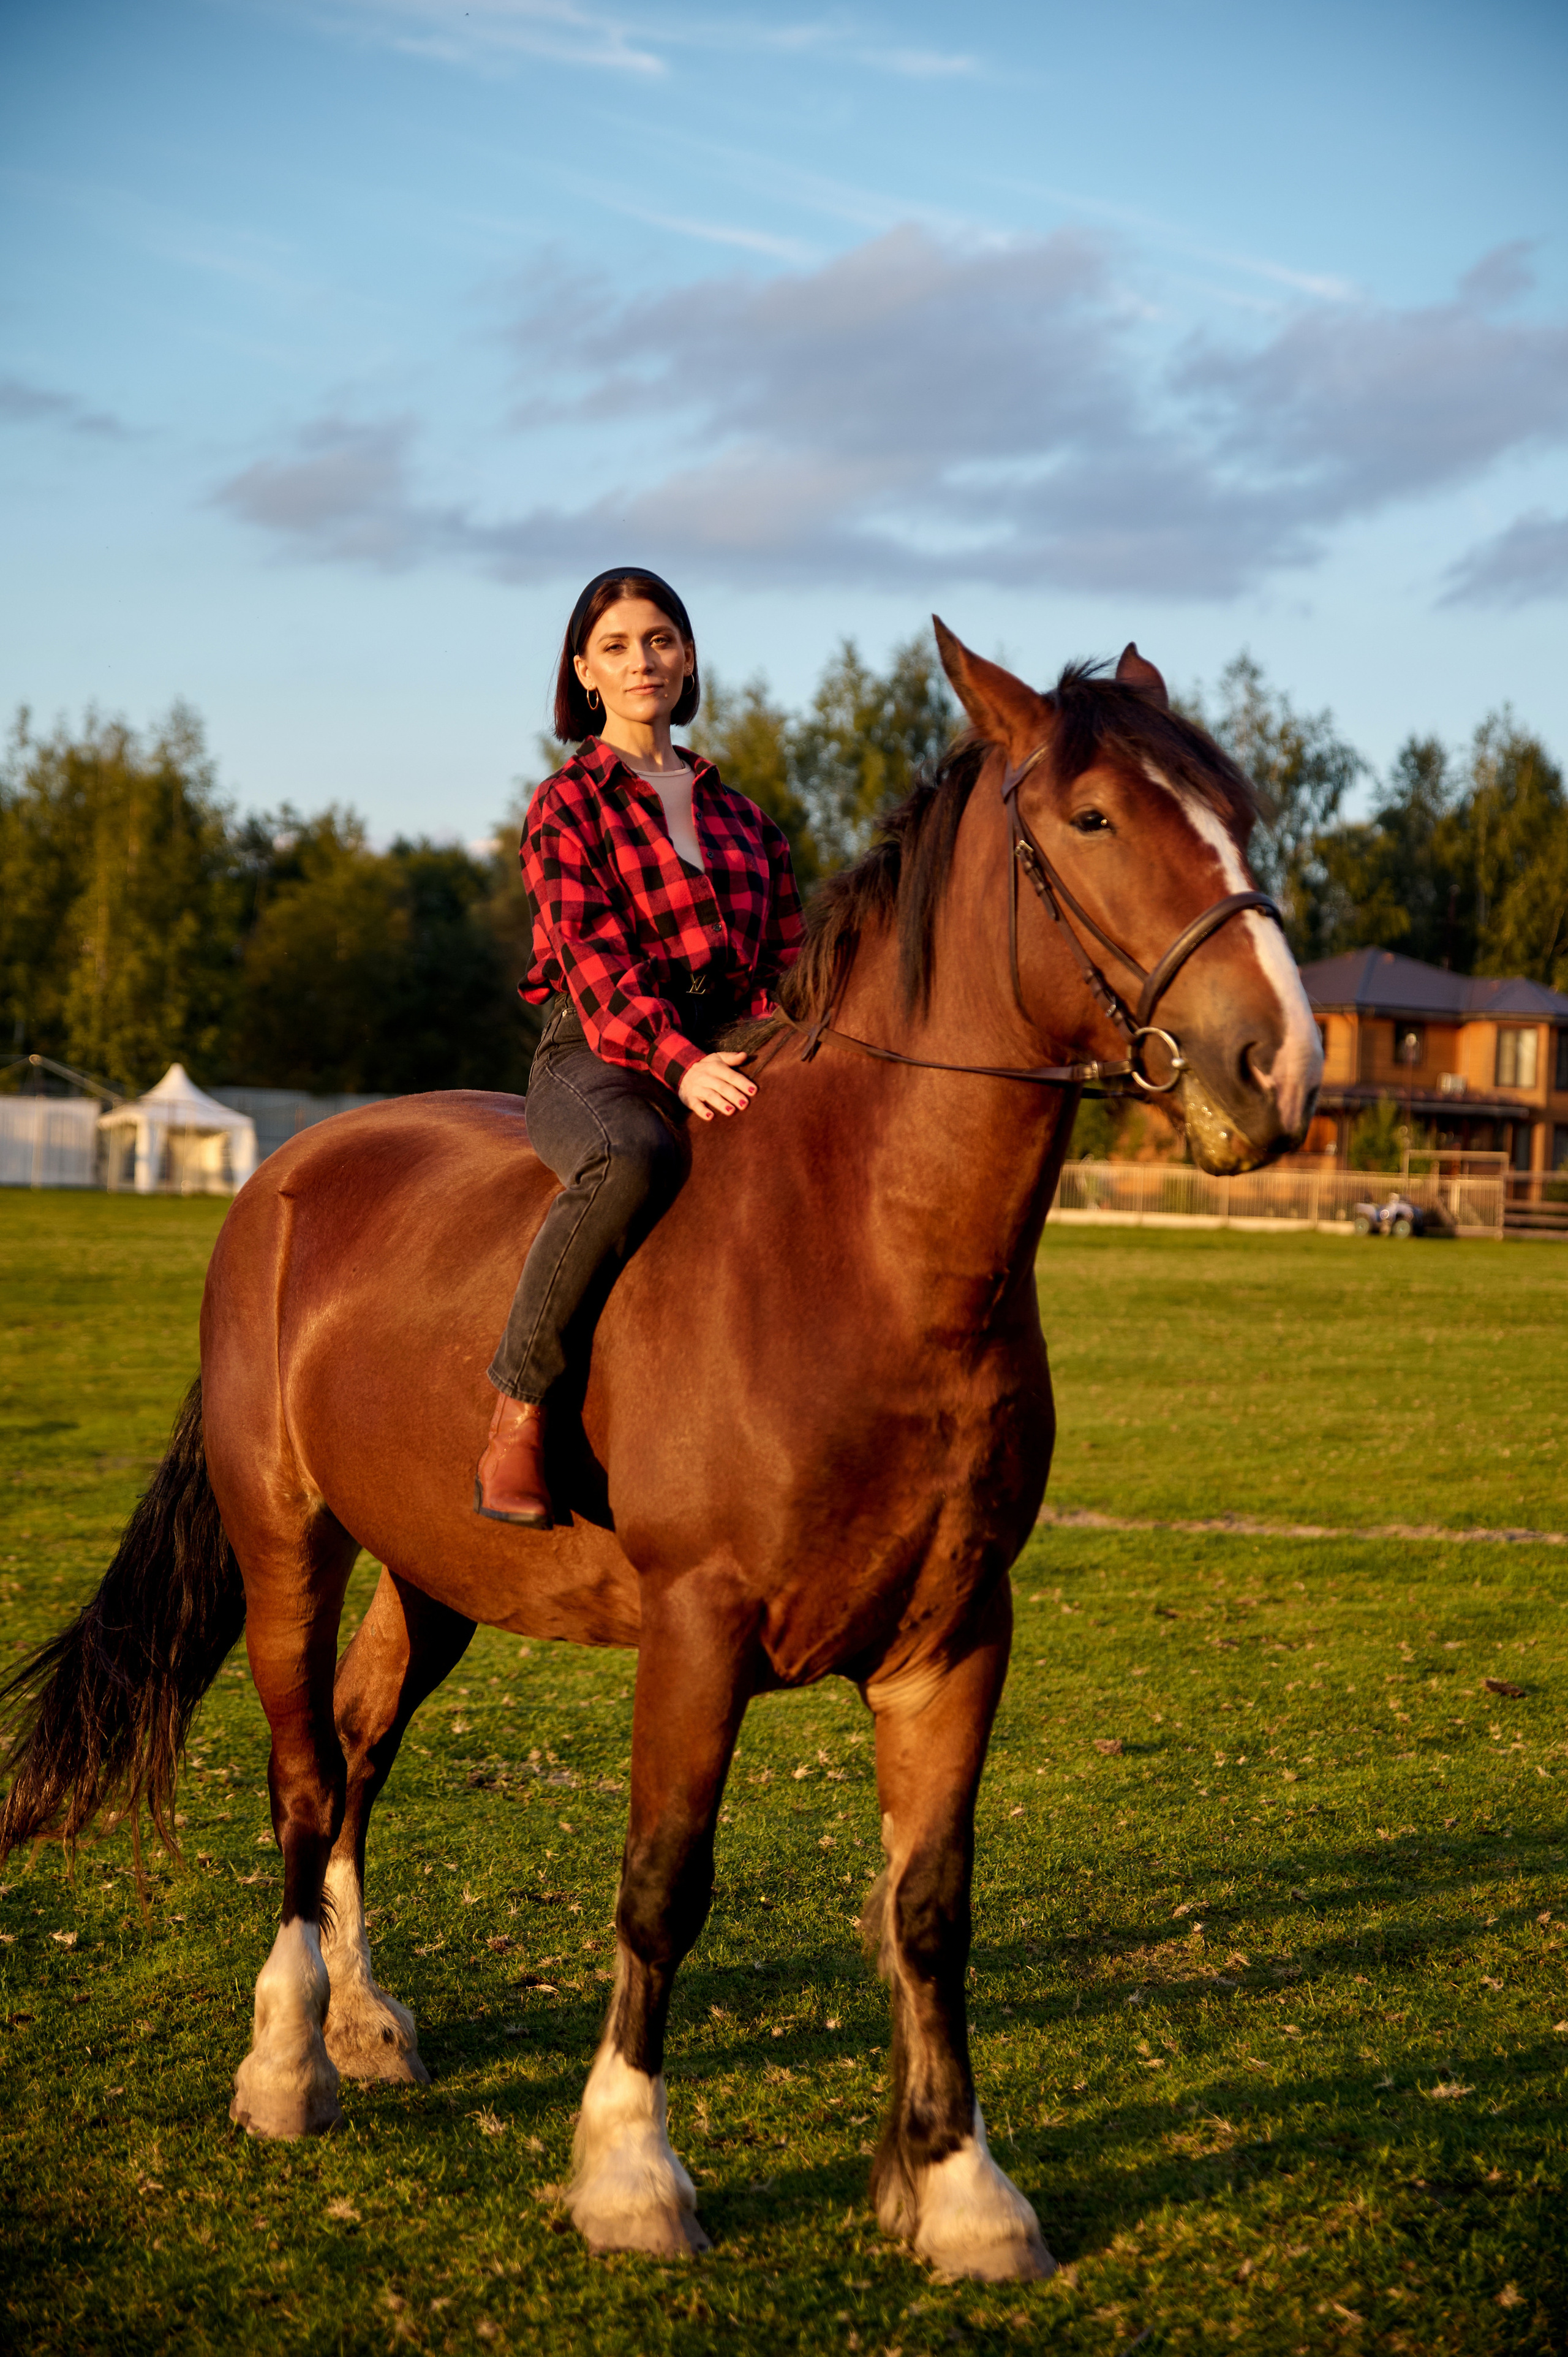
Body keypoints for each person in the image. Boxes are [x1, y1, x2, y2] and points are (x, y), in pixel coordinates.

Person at [475, 568, 805, 1528]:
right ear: (584, 673)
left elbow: (783, 972)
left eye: (659, 640)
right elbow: (592, 967)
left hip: (730, 1044)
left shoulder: (748, 823)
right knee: (636, 1155)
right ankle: (519, 1416)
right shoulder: (565, 805)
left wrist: (776, 1051)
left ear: (689, 656)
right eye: (615, 647)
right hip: (600, 1053)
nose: (642, 662)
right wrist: (681, 1063)